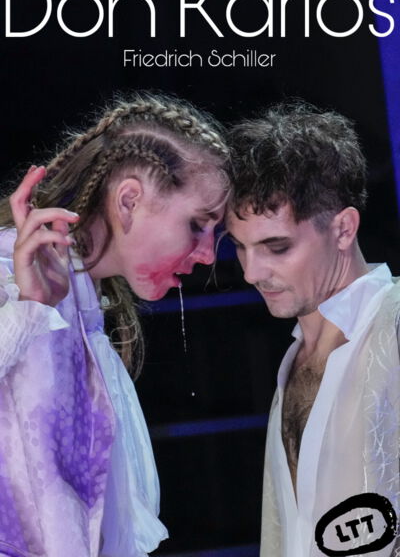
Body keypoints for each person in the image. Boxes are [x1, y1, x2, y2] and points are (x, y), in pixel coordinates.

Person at [0, 92, 230, 557]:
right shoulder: (11, 267)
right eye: (196, 225)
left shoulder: (87, 299)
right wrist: (25, 311)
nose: (208, 255)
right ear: (129, 201)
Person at [226, 102, 400, 557]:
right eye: (240, 247)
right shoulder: (294, 361)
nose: (251, 272)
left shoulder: (394, 324)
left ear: (343, 229)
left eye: (276, 247)